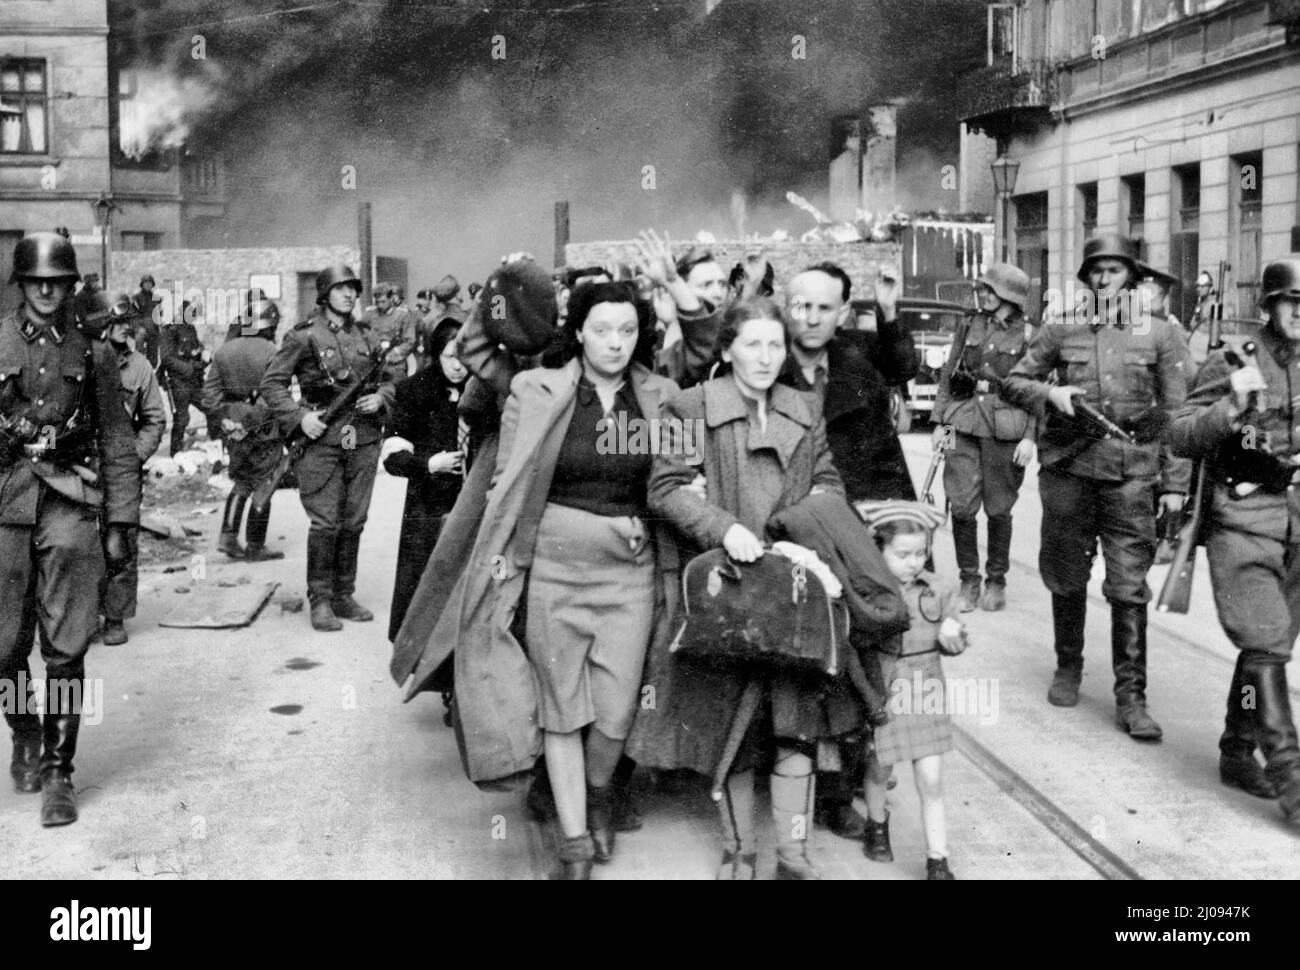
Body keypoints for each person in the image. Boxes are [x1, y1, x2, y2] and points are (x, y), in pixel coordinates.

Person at [628, 296, 849, 880]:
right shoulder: (689, 407)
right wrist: (723, 527)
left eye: (775, 344)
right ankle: (740, 852)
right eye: (752, 343)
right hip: (728, 591)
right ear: (725, 348)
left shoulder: (804, 407)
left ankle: (794, 858)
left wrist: (807, 525)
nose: (766, 356)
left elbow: (828, 481)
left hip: (793, 589)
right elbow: (667, 487)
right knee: (738, 729)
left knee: (796, 728)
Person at [483, 281, 676, 879]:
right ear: (579, 331)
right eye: (601, 330)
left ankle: (599, 794)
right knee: (561, 707)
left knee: (616, 713)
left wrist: (647, 518)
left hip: (629, 576)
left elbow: (675, 478)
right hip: (554, 571)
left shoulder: (663, 397)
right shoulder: (534, 388)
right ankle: (574, 841)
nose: (615, 344)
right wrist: (500, 556)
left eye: (627, 331)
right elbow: (507, 480)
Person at [1001, 233, 1191, 740]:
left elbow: (1179, 416)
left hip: (1131, 476)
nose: (1105, 279)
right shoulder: (1061, 326)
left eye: (1115, 270)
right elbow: (1014, 381)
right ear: (1086, 278)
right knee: (1066, 574)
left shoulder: (1160, 334)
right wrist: (1051, 392)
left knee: (1129, 585)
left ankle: (1132, 698)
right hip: (1069, 469)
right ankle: (1069, 666)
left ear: (1132, 276)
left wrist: (1175, 484)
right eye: (1097, 271)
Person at [0, 232, 139, 826]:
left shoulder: (94, 353)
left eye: (58, 281)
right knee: (4, 645)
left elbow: (117, 443)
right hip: (5, 502)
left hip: (69, 503)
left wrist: (121, 523)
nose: (48, 290)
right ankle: (24, 728)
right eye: (38, 281)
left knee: (66, 645)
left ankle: (59, 769)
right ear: (22, 285)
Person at [776, 260, 919, 840]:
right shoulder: (766, 361)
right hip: (791, 531)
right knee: (804, 665)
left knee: (864, 667)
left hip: (860, 528)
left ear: (842, 313)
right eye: (800, 305)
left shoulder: (858, 364)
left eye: (823, 308)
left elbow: (903, 375)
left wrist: (890, 311)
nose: (809, 318)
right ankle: (790, 782)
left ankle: (841, 792)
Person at [1168, 255, 1300, 829]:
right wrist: (1233, 407)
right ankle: (1293, 779)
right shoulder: (1237, 358)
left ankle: (1234, 748)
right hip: (1244, 513)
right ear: (1270, 305)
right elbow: (1178, 432)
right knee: (1266, 640)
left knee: (1267, 644)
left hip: (1296, 520)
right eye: (1293, 304)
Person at [260, 264, 396, 632]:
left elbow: (388, 380)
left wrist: (381, 397)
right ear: (325, 295)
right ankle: (320, 598)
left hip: (363, 437)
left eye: (352, 288)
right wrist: (299, 417)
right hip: (322, 439)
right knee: (326, 521)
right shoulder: (303, 337)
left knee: (354, 520)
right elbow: (272, 386)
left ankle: (343, 594)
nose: (349, 294)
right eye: (340, 289)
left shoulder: (366, 335)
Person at [858, 500, 966, 879]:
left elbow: (955, 637)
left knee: (932, 779)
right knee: (878, 768)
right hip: (885, 688)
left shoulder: (940, 588)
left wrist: (953, 636)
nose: (914, 561)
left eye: (921, 553)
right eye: (902, 554)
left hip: (925, 686)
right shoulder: (868, 592)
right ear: (878, 550)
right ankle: (876, 824)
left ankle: (938, 859)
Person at [930, 263, 1038, 612]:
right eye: (985, 289)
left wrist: (1031, 437)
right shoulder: (969, 322)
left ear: (1011, 297)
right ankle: (969, 580)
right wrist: (939, 423)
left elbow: (1039, 389)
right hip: (961, 420)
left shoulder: (1028, 333)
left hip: (1007, 427)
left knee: (999, 508)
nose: (986, 295)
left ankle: (996, 580)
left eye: (993, 290)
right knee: (960, 504)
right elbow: (949, 373)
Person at [383, 319, 467, 641]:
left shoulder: (484, 390)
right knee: (423, 586)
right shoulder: (413, 390)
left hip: (470, 503)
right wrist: (429, 464)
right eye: (449, 358)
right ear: (435, 355)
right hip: (427, 505)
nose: (458, 366)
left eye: (463, 356)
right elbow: (393, 458)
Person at [98, 296, 166, 645]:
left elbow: (155, 418)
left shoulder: (139, 366)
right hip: (81, 463)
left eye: (130, 322)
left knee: (119, 542)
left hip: (122, 467)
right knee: (78, 544)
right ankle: (79, 617)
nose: (129, 328)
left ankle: (114, 616)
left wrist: (134, 454)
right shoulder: (80, 357)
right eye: (121, 321)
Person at [202, 300, 286, 562]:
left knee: (241, 481)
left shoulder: (224, 351)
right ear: (269, 324)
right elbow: (274, 395)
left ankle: (227, 537)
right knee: (265, 481)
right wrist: (250, 421)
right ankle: (255, 545)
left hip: (231, 426)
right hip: (264, 426)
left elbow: (209, 396)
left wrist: (225, 421)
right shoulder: (273, 352)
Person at [160, 298, 209, 456]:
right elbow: (167, 359)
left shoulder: (191, 329)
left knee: (210, 406)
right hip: (179, 381)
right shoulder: (170, 330)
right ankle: (175, 454)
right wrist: (188, 369)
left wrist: (204, 356)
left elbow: (195, 350)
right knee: (181, 419)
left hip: (195, 381)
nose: (193, 317)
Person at [363, 282, 418, 382]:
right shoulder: (369, 315)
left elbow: (410, 341)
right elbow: (359, 332)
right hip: (373, 363)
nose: (379, 306)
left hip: (395, 364)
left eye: (383, 302)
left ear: (391, 298)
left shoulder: (403, 316)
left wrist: (394, 354)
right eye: (377, 302)